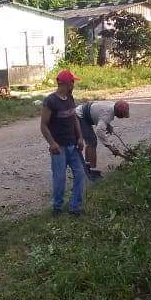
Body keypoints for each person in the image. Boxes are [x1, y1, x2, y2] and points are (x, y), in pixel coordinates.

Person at [40, 69, 86, 216]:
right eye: (73, 82)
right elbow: (43, 125)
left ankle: (75, 207)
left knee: (80, 174)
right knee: (59, 178)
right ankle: (57, 207)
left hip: (73, 145)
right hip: (59, 147)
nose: (74, 85)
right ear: (66, 83)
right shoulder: (51, 101)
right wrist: (52, 143)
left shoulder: (70, 98)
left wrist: (80, 137)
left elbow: (74, 119)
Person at [75, 100, 130, 180]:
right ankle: (92, 171)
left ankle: (87, 165)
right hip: (80, 116)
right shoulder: (108, 114)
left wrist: (108, 125)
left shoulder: (112, 106)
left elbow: (100, 114)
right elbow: (99, 131)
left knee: (90, 142)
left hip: (84, 113)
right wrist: (110, 147)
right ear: (119, 114)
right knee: (92, 142)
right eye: (123, 115)